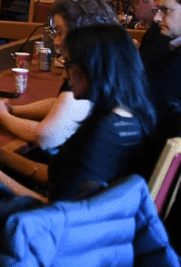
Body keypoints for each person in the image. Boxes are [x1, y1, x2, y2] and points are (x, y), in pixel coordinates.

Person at [0, 0, 119, 154]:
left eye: (60, 32)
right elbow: (60, 104)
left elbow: (45, 137)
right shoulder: (100, 62)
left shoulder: (87, 73)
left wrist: (0, 117)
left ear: (80, 32)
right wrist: (11, 109)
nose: (57, 42)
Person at [46, 23, 156, 201]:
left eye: (69, 66)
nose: (65, 76)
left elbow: (54, 209)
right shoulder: (133, 115)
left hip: (51, 223)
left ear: (92, 68)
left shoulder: (105, 132)